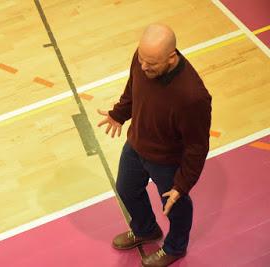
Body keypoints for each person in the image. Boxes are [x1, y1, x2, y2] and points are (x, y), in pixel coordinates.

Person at [97, 23, 212, 267]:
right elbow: (133, 90)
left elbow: (197, 146)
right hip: (137, 144)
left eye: (151, 63)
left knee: (175, 206)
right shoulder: (143, 59)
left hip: (167, 160)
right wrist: (119, 113)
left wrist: (183, 184)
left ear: (171, 58)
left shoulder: (192, 97)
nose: (143, 66)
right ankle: (146, 229)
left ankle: (175, 247)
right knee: (126, 188)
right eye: (142, 59)